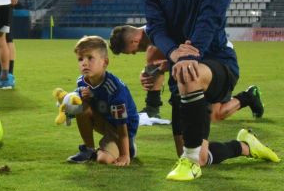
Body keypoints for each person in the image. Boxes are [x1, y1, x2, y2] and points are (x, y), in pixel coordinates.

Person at [144, 0, 280, 181]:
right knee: (199, 154)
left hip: (217, 61)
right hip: (180, 65)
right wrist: (173, 54)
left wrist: (191, 53)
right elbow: (156, 28)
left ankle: (190, 164)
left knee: (189, 74)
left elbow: (211, 15)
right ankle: (244, 146)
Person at [109, 24, 263, 121]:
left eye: (132, 51)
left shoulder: (165, 30)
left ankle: (248, 96)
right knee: (206, 116)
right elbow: (156, 65)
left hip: (219, 57)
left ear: (133, 41)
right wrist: (147, 73)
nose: (135, 53)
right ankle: (152, 108)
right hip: (200, 70)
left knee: (214, 115)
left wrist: (169, 64)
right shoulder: (154, 42)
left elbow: (195, 49)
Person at [65, 36, 138, 165]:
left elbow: (122, 125)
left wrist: (125, 155)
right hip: (105, 120)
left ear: (105, 62)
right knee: (81, 105)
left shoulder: (114, 89)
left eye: (90, 58)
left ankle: (129, 147)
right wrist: (71, 104)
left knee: (103, 160)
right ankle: (89, 150)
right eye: (80, 59)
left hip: (122, 128)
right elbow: (86, 105)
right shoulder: (81, 81)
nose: (84, 63)